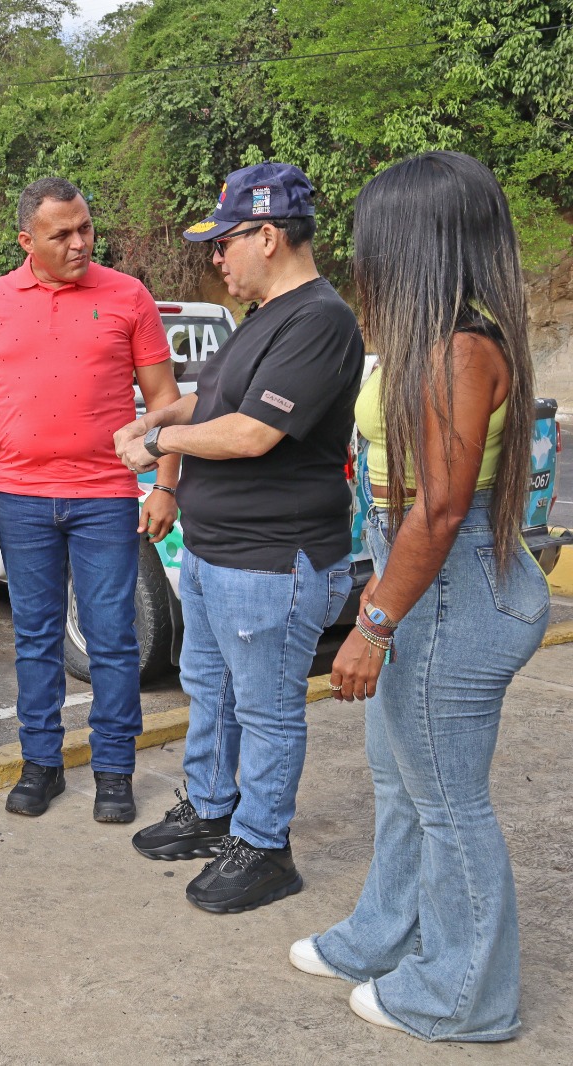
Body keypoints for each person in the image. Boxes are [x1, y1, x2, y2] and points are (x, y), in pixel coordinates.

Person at [289, 152, 548, 1041]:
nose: (366, 257)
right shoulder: (436, 336)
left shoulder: (458, 348)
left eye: (377, 239)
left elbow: (439, 509)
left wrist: (373, 624)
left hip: (447, 585)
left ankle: (466, 996)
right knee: (400, 782)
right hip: (424, 571)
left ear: (421, 241)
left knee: (447, 802)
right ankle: (383, 936)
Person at [116, 162, 362, 912]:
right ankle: (213, 807)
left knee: (266, 709)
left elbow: (255, 431)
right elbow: (213, 400)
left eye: (226, 242)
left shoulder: (320, 321)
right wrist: (160, 419)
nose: (216, 258)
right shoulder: (263, 320)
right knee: (210, 690)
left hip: (272, 560)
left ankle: (262, 845)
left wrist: (156, 453)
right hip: (216, 551)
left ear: (268, 234)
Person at [0, 176, 181, 824]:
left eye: (86, 228)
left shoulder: (128, 296)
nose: (81, 242)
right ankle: (41, 766)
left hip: (106, 496)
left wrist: (166, 484)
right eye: (63, 234)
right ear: (28, 240)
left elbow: (166, 404)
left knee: (110, 639)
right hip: (21, 499)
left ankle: (113, 772)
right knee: (37, 639)